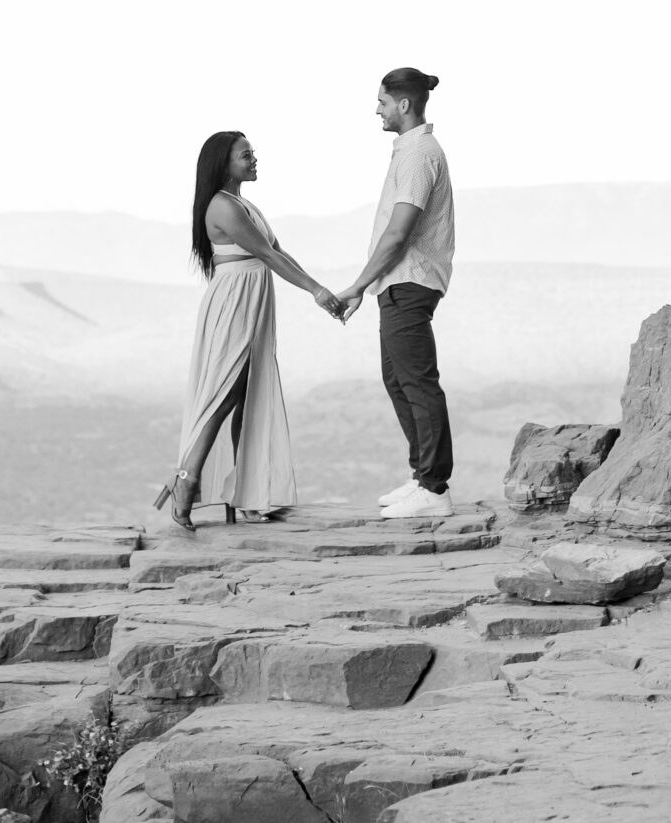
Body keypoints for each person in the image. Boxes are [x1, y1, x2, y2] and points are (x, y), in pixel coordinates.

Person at [153, 130, 345, 533]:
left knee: (246, 394)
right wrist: (316, 290)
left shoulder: (244, 204)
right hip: (234, 304)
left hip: (251, 301)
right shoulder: (223, 208)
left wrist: (318, 286)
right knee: (223, 395)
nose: (254, 159)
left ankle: (247, 493)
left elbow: (277, 249)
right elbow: (267, 254)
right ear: (224, 163)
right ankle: (185, 483)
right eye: (246, 155)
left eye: (252, 153)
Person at [332, 67, 457, 519]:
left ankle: (435, 489)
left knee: (419, 383)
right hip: (397, 283)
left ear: (404, 105)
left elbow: (398, 232)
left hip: (409, 281)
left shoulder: (419, 153)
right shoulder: (410, 150)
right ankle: (423, 478)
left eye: (382, 102)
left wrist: (357, 285)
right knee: (398, 379)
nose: (377, 110)